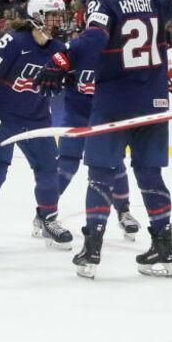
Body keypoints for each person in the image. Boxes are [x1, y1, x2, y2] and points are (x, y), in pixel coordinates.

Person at [38, 0, 172, 279]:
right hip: (154, 103)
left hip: (114, 104)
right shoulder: (157, 1)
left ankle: (91, 250)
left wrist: (63, 59)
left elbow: (93, 39)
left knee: (100, 174)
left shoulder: (104, 4)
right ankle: (164, 247)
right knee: (150, 176)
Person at [0, 0, 74, 252]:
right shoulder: (14, 41)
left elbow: (70, 82)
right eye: (53, 15)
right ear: (37, 17)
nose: (59, 21)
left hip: (37, 118)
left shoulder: (59, 49)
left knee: (48, 171)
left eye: (60, 15)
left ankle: (49, 219)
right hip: (3, 116)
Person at [55, 36, 142, 241]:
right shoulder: (77, 46)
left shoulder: (120, 50)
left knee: (114, 163)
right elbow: (55, 64)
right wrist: (57, 69)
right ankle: (45, 212)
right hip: (76, 115)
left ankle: (123, 212)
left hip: (105, 116)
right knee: (67, 163)